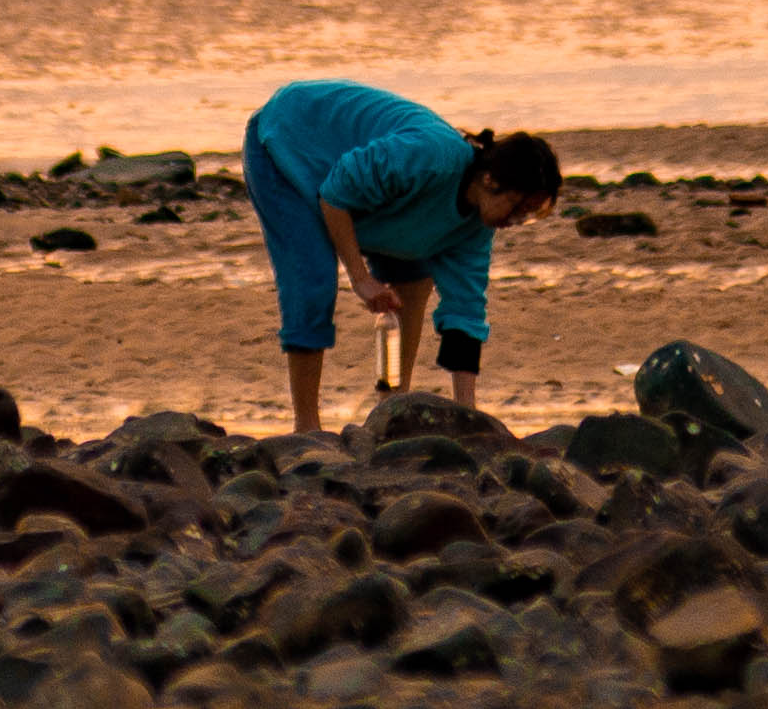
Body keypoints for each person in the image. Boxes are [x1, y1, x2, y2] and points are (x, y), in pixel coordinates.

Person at [239, 77, 560, 438]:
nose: (514, 221)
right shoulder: (429, 156)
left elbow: (465, 315)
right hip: (290, 138)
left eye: (527, 216)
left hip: (362, 193)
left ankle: (391, 408)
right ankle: (307, 429)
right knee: (313, 282)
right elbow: (335, 193)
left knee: (414, 278)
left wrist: (470, 420)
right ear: (490, 180)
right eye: (517, 207)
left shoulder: (475, 228)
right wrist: (361, 278)